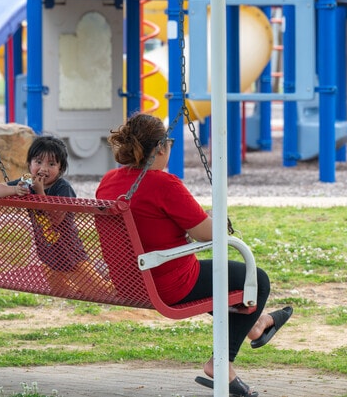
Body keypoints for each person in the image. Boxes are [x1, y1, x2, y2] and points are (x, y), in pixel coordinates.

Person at [96, 113, 293, 397]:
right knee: (255, 279)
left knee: (224, 284)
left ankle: (257, 325)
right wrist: (218, 218)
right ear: (161, 147)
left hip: (130, 281)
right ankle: (220, 363)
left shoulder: (109, 180)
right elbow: (207, 234)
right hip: (169, 283)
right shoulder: (165, 184)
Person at [0, 136, 112, 296]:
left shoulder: (63, 187)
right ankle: (98, 274)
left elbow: (56, 218)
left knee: (102, 293)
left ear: (61, 169)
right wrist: (15, 190)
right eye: (38, 162)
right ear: (30, 164)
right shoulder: (27, 181)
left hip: (70, 254)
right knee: (62, 292)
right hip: (49, 255)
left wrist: (40, 192)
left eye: (51, 164)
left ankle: (109, 276)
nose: (43, 168)